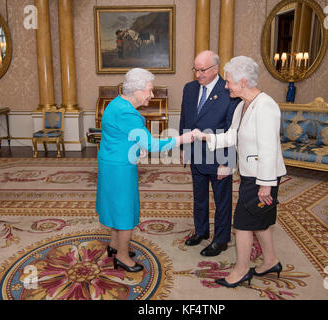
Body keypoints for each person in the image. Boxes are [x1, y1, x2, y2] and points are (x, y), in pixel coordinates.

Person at [193, 56, 287, 287]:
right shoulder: (243, 105)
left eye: (229, 82)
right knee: (261, 221)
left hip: (261, 178)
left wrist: (266, 184)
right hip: (250, 173)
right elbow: (233, 136)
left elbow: (269, 148)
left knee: (243, 224)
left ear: (243, 81)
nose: (226, 86)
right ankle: (270, 261)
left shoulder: (265, 106)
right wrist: (205, 136)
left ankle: (241, 270)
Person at [96, 68, 193, 272]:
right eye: (149, 90)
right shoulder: (127, 113)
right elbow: (152, 145)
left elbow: (118, 135)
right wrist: (181, 139)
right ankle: (122, 256)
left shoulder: (117, 104)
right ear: (137, 90)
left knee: (115, 205)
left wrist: (135, 145)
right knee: (126, 211)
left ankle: (114, 246)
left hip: (110, 161)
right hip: (120, 168)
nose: (152, 95)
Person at [179, 50, 240, 257]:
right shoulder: (189, 89)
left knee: (222, 201)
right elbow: (185, 120)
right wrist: (183, 148)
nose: (198, 74)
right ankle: (201, 231)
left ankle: (221, 239)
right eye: (195, 69)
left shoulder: (229, 92)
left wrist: (228, 162)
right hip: (195, 153)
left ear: (215, 69)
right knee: (199, 197)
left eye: (202, 70)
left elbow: (232, 130)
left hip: (219, 156)